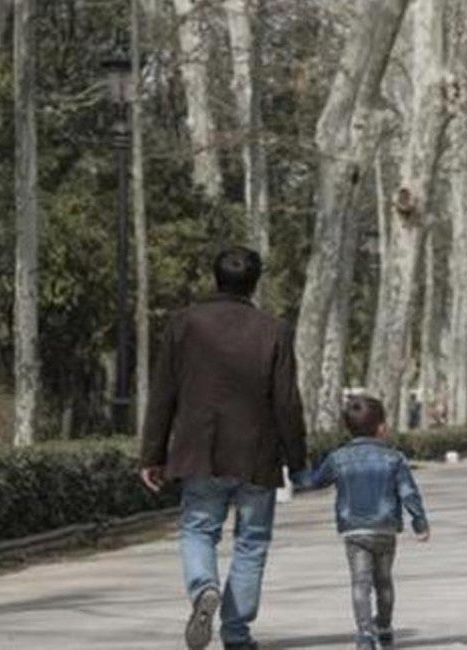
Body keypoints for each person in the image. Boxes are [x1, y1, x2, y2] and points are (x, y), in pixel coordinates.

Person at [139, 246, 307, 650]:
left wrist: (152, 455)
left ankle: (203, 588)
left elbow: (164, 393)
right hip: (256, 454)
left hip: (201, 451)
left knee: (199, 529)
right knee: (251, 542)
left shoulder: (184, 324)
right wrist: (297, 460)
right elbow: (286, 401)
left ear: (216, 277)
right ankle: (236, 632)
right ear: (255, 281)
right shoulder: (274, 330)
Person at [295, 396, 431, 650]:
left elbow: (313, 482)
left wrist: (295, 473)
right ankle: (385, 628)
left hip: (354, 530)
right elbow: (408, 493)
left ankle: (365, 634)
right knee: (384, 581)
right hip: (385, 528)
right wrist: (420, 523)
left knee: (360, 583)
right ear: (381, 427)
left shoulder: (338, 458)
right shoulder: (395, 458)